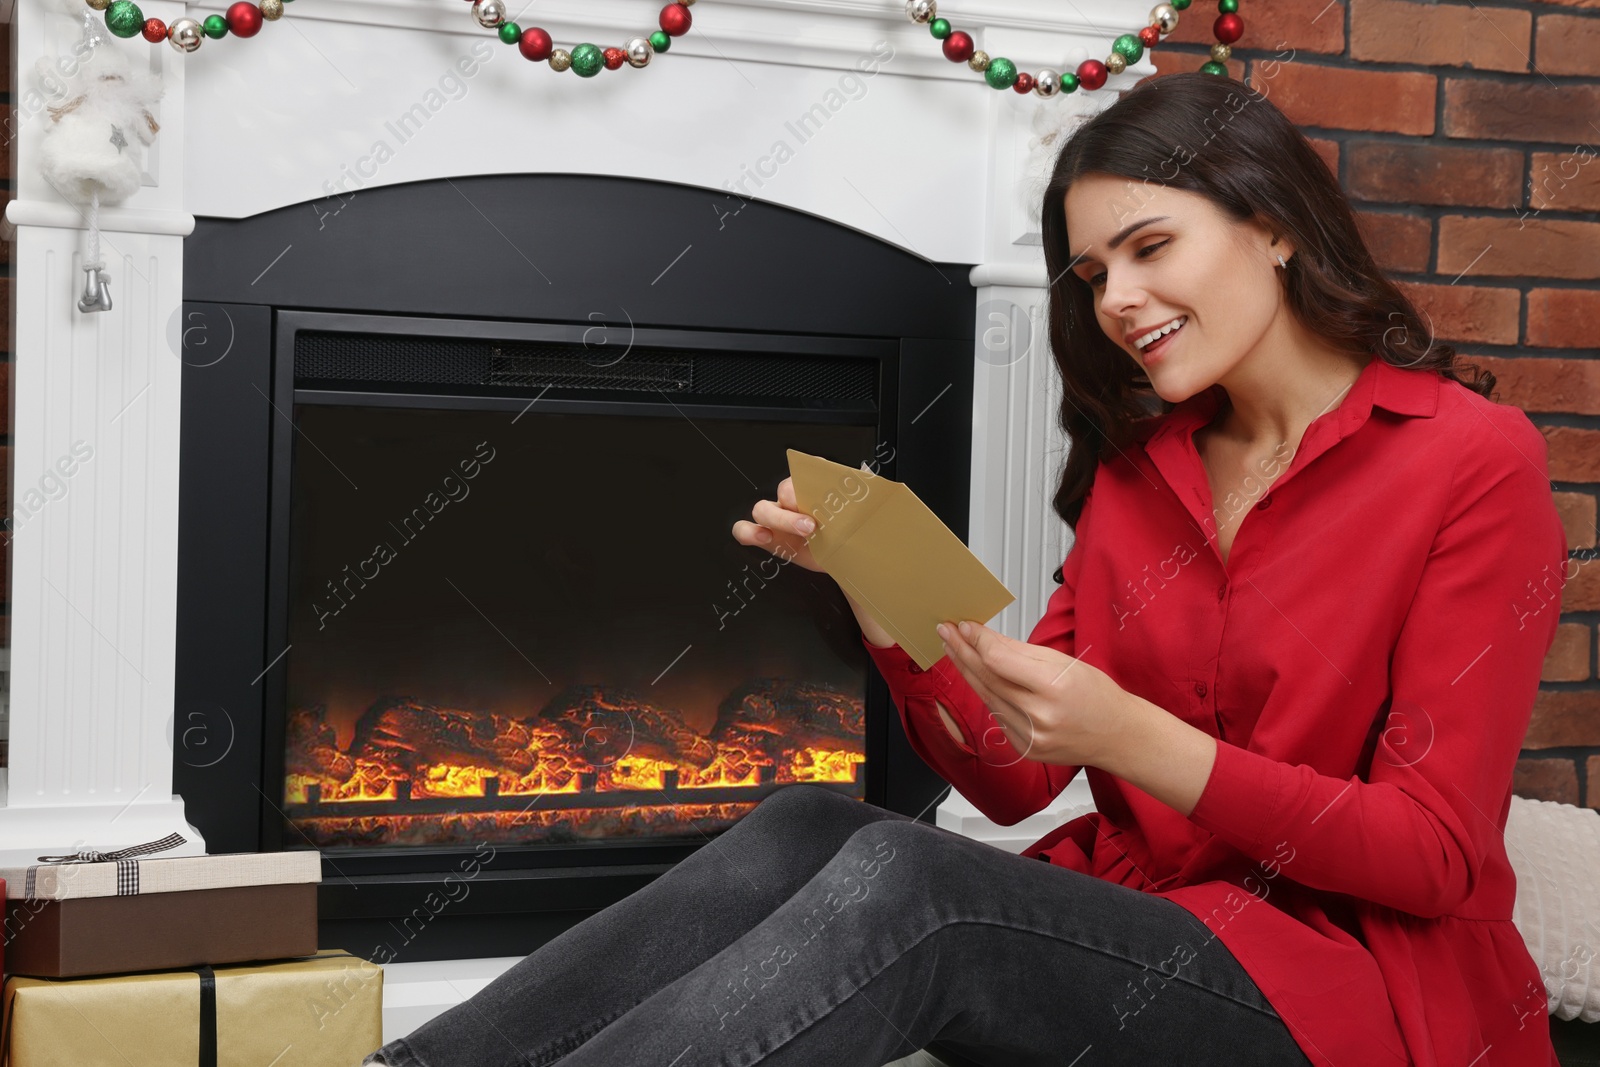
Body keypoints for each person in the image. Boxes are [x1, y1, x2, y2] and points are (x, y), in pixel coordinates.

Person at [361, 71, 1565, 1067]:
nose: (1120, 302)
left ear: (1275, 223)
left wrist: (1137, 739)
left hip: (1355, 989)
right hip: (1148, 918)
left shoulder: (1467, 461)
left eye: (1151, 248)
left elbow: (1434, 853)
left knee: (912, 883)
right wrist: (878, 592)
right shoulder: (1144, 471)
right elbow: (1001, 777)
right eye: (1094, 275)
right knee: (805, 825)